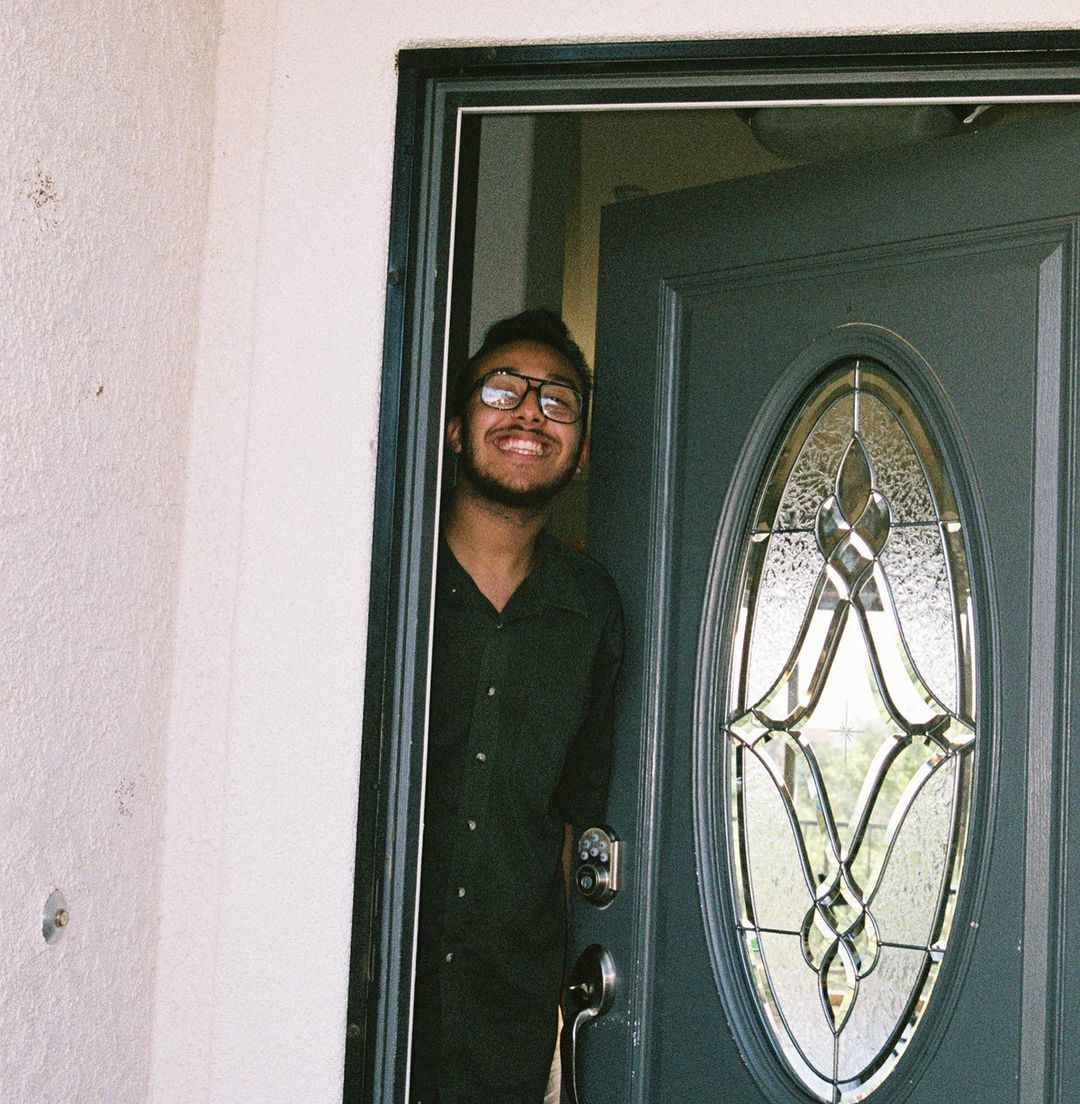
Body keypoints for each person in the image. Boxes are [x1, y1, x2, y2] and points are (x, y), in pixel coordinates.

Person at [410, 309, 624, 1104]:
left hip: (504, 1019)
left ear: (581, 448)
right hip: (362, 986)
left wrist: (560, 1015)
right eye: (503, 390)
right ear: (455, 428)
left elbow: (576, 819)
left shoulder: (591, 610)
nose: (531, 412)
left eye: (557, 400)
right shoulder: (387, 570)